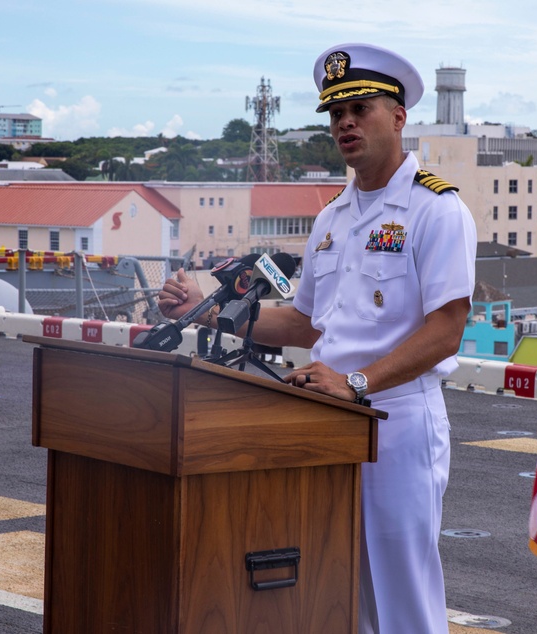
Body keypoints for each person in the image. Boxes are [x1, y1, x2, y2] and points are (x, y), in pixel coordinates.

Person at [158, 43, 477, 634]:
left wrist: (357, 383)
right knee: (335, 589)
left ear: (399, 116)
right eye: (336, 114)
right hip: (324, 417)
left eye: (361, 108)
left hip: (396, 420)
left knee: (402, 598)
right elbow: (306, 323)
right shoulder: (332, 218)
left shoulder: (437, 210)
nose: (345, 123)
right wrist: (204, 311)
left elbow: (447, 330)